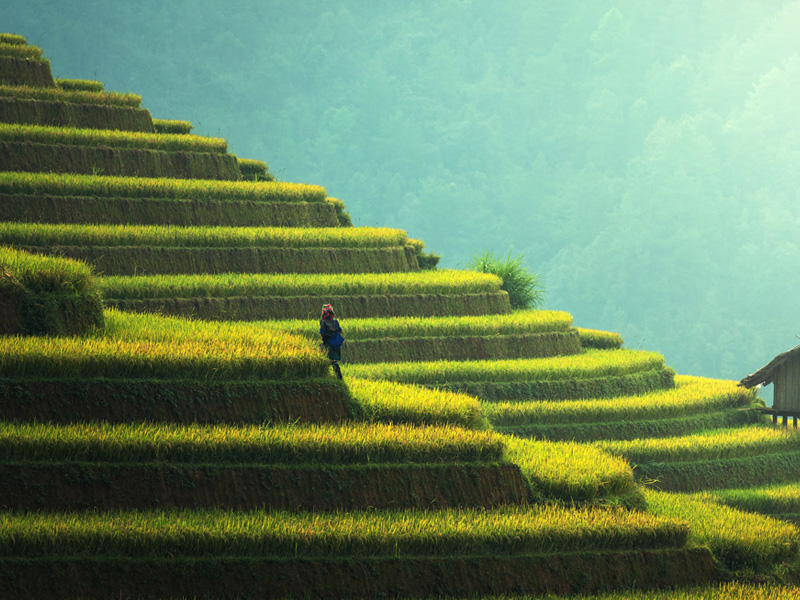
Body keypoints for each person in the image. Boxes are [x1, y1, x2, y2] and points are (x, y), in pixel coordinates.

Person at [319, 303, 344, 379]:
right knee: (334, 360)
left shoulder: (323, 322)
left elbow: (322, 333)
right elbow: (341, 331)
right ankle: (339, 377)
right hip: (336, 342)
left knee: (327, 359)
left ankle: (324, 376)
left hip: (329, 343)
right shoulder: (335, 321)